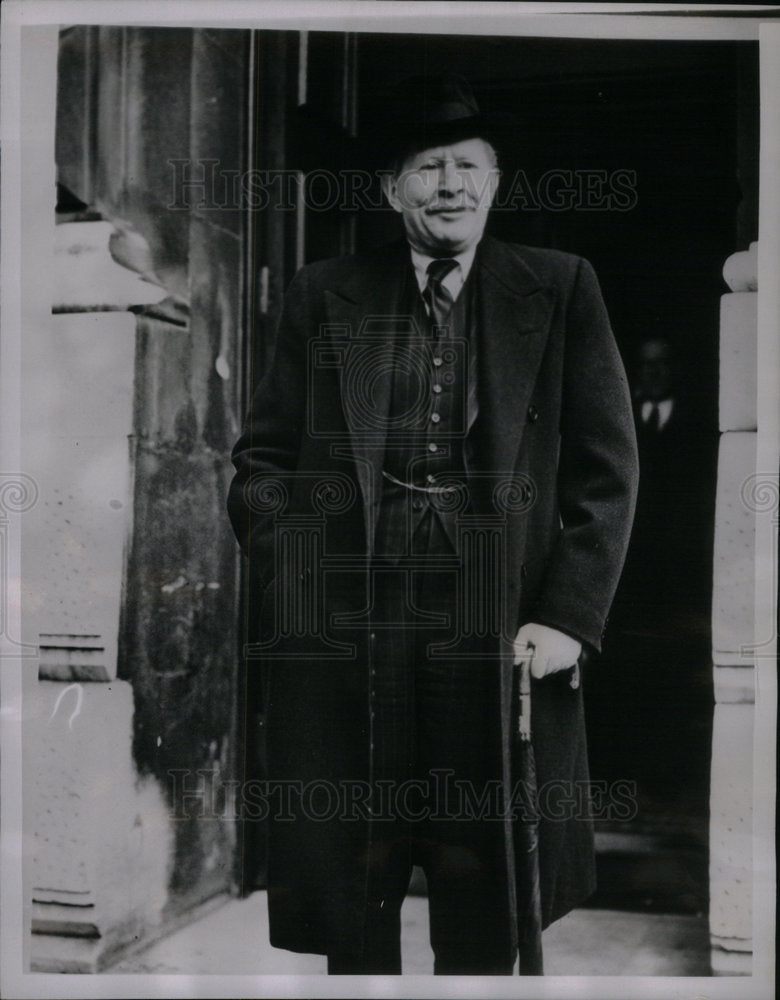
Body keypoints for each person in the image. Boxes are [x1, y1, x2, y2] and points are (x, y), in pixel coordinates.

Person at [227, 74, 638, 975]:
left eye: (466, 166)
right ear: (390, 189)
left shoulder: (560, 287)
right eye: (426, 167)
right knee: (354, 855)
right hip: (352, 621)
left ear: (494, 183)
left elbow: (608, 472)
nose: (448, 184)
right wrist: (297, 577)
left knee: (489, 856)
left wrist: (568, 615)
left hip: (499, 619)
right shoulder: (325, 290)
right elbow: (261, 462)